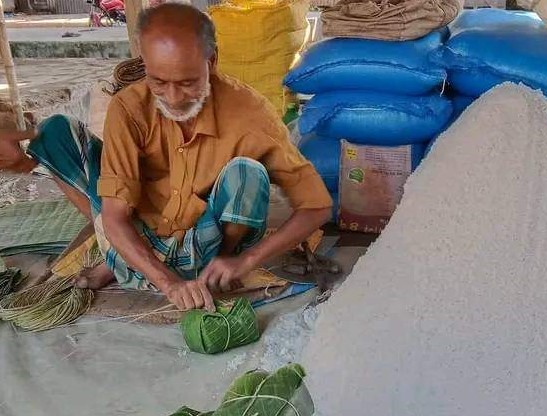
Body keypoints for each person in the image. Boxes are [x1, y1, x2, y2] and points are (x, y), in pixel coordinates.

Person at [0, 3, 333, 312]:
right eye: (158, 81)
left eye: (188, 83)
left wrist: (243, 262)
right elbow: (115, 214)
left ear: (212, 61)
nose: (173, 99)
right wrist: (169, 284)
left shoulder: (250, 112)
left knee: (248, 173)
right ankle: (119, 256)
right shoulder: (129, 107)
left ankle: (213, 272)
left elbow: (316, 206)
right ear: (144, 64)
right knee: (57, 131)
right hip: (140, 233)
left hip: (204, 244)